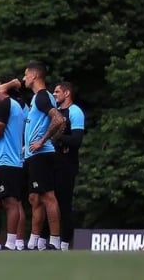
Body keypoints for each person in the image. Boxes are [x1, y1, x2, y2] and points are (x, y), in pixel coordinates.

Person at [22, 62, 65, 250]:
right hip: (34, 155)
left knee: (48, 196)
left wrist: (43, 141)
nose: (23, 79)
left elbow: (59, 119)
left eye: (25, 75)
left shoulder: (41, 97)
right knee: (34, 198)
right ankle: (34, 241)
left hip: (41, 154)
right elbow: (60, 124)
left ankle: (54, 240)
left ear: (33, 75)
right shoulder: (37, 99)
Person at [0, 79, 25, 251]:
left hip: (8, 162)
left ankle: (11, 242)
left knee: (10, 203)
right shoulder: (5, 105)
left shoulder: (6, 104)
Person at [52, 81, 85, 251]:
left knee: (64, 204)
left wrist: (57, 137)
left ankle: (64, 243)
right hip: (53, 163)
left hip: (67, 164)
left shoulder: (75, 112)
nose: (54, 94)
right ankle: (52, 240)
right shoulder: (55, 112)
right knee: (50, 202)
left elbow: (77, 140)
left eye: (57, 91)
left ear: (67, 93)